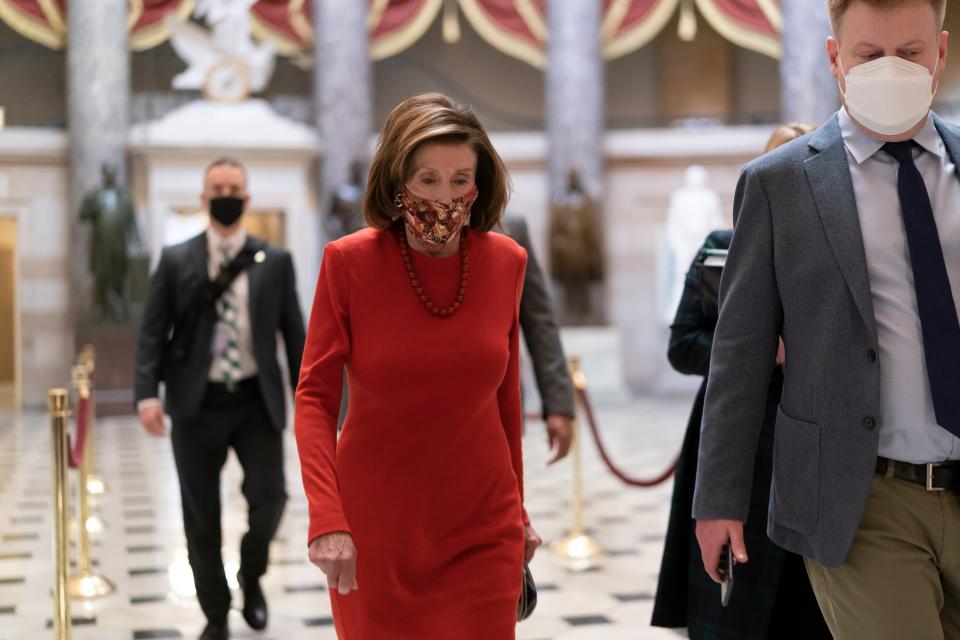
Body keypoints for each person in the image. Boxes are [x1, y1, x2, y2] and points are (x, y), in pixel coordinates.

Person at [693, 1, 960, 637]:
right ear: (836, 59)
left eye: (912, 53)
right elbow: (740, 353)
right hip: (864, 498)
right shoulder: (779, 185)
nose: (892, 68)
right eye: (870, 55)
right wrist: (719, 501)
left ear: (941, 53)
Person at [294, 92, 541, 639]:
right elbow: (314, 397)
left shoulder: (507, 263)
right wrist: (325, 517)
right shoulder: (349, 263)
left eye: (460, 180)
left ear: (480, 187)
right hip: (376, 529)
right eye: (427, 179)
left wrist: (518, 511)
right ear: (397, 180)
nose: (445, 196)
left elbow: (506, 402)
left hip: (484, 526)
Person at [653, 125, 831, 638]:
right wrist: (760, 354)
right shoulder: (721, 246)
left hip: (806, 438)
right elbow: (682, 345)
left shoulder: (836, 255)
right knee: (730, 602)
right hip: (737, 436)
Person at [134, 157, 306, 640]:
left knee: (270, 498)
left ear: (247, 199)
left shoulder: (275, 261)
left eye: (234, 186)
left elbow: (296, 335)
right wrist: (147, 393)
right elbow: (152, 331)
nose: (226, 193)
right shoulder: (175, 259)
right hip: (196, 403)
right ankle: (215, 610)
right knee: (200, 514)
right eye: (217, 186)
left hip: (256, 400)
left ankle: (251, 575)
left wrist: (315, 399)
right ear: (203, 198)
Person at [501, 213, 574, 462]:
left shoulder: (510, 227)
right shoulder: (394, 224)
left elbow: (538, 319)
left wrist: (558, 404)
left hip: (498, 403)